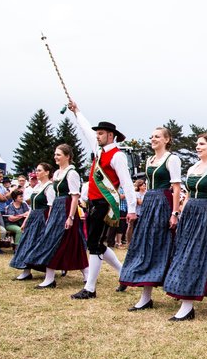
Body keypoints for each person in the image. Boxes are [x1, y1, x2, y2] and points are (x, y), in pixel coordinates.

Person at [67, 100, 137, 299]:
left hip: (106, 204)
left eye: (101, 133)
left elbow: (127, 183)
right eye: (97, 133)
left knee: (95, 244)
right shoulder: (98, 150)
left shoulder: (117, 156)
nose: (97, 136)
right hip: (94, 203)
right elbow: (85, 129)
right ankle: (124, 274)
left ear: (110, 135)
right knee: (95, 243)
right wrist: (77, 111)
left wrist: (131, 208)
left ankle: (90, 288)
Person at [164, 133, 207, 321]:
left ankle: (187, 307)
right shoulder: (194, 167)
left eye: (202, 144)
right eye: (197, 144)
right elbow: (188, 195)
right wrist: (180, 213)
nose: (197, 147)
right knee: (190, 255)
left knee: (194, 257)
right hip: (191, 215)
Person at [120, 127, 181, 311]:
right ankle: (145, 297)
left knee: (163, 246)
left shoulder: (172, 159)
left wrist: (174, 213)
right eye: (152, 136)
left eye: (157, 136)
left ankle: (176, 287)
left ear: (167, 139)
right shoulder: (149, 160)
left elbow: (176, 188)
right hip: (149, 202)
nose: (153, 139)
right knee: (147, 245)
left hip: (163, 203)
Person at [27, 144, 88, 289]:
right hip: (57, 208)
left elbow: (74, 197)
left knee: (69, 242)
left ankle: (85, 272)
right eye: (55, 154)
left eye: (59, 154)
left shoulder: (72, 173)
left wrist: (71, 217)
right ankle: (51, 277)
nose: (56, 157)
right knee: (53, 240)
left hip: (67, 208)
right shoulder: (57, 173)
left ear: (67, 156)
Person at [10, 163, 55, 281]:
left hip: (42, 218)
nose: (37, 173)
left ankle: (47, 270)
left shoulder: (49, 187)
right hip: (33, 217)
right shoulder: (37, 186)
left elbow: (51, 207)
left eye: (39, 170)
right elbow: (32, 207)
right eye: (37, 170)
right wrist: (25, 221)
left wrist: (49, 222)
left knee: (37, 244)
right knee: (26, 243)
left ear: (47, 172)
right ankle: (26, 271)